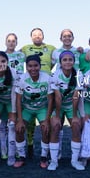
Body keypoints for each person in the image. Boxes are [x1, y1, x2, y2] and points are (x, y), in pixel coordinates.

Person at [20, 28, 56, 159]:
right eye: (34, 35)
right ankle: (29, 145)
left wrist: (81, 50)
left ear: (43, 36)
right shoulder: (25, 48)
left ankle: (46, 154)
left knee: (47, 126)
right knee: (27, 124)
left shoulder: (51, 47)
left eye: (39, 34)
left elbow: (64, 55)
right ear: (30, 37)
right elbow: (13, 56)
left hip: (44, 84)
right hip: (29, 84)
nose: (37, 36)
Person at [14, 54, 53, 169]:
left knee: (45, 129)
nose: (33, 68)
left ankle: (44, 157)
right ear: (26, 67)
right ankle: (21, 156)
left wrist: (46, 120)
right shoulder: (22, 79)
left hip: (42, 108)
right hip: (27, 108)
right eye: (30, 66)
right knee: (19, 129)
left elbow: (51, 100)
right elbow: (18, 100)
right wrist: (20, 120)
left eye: (36, 65)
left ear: (40, 66)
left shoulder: (47, 78)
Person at [50, 50, 85, 171]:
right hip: (58, 105)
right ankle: (54, 161)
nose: (67, 62)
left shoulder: (79, 75)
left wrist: (75, 115)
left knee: (76, 125)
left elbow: (76, 96)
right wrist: (57, 116)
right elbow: (57, 97)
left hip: (71, 105)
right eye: (64, 60)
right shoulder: (55, 75)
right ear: (60, 62)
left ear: (74, 62)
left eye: (70, 60)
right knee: (55, 126)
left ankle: (74, 161)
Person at [0, 51, 19, 166]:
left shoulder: (13, 73)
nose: (1, 64)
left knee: (11, 126)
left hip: (11, 101)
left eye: (3, 61)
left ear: (7, 62)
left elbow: (14, 94)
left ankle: (11, 155)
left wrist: (14, 112)